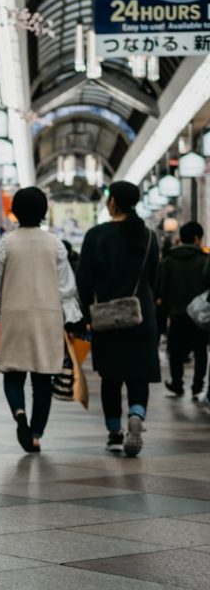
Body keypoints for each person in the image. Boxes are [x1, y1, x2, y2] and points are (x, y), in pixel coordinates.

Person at [0, 187, 82, 453]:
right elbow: (66, 288)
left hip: (14, 316)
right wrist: (73, 320)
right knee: (42, 381)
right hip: (47, 319)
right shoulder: (55, 244)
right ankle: (35, 434)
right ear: (44, 211)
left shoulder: (7, 243)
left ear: (15, 210)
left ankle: (19, 415)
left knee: (13, 374)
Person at [76, 181, 160, 457]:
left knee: (111, 378)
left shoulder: (96, 236)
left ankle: (114, 433)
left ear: (112, 202)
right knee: (139, 375)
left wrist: (84, 314)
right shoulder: (147, 236)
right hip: (141, 316)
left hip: (107, 318)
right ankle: (136, 412)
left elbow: (84, 281)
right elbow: (154, 280)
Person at [157, 221, 209, 400]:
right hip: (200, 315)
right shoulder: (204, 261)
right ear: (196, 238)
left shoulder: (168, 261)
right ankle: (197, 386)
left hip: (176, 313)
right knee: (200, 350)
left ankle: (177, 383)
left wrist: (163, 317)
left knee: (175, 350)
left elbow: (162, 290)